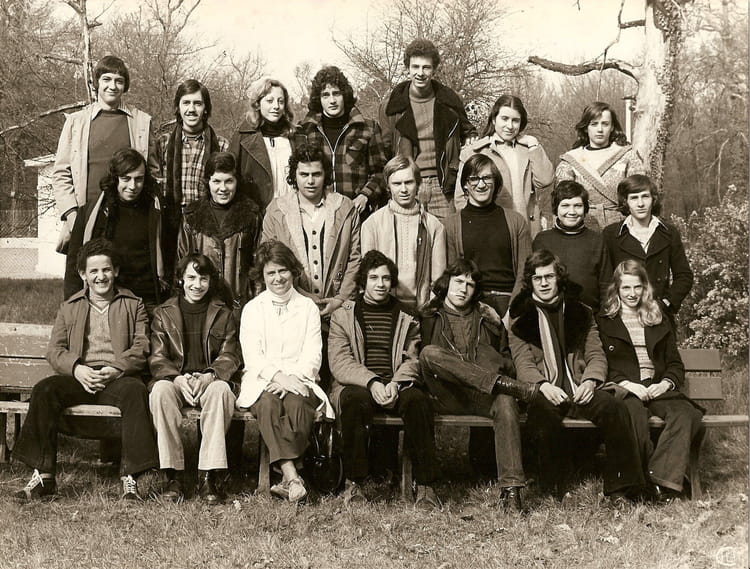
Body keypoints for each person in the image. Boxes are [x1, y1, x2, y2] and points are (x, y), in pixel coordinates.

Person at [14, 239, 158, 503]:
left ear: (116, 271)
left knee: (136, 392)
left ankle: (131, 477)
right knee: (44, 390)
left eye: (106, 270)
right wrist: (77, 369)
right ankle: (43, 475)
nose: (100, 276)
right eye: (94, 271)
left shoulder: (133, 304)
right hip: (81, 377)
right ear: (83, 274)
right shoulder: (70, 307)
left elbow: (142, 346)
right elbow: (55, 350)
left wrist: (116, 368)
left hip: (116, 378)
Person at [507, 249, 644, 503]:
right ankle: (556, 487)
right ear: (530, 282)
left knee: (614, 408)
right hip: (546, 389)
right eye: (537, 278)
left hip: (579, 386)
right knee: (541, 415)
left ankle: (620, 489)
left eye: (549, 276)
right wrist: (542, 385)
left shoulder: (581, 312)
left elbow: (596, 354)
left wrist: (591, 381)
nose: (544, 283)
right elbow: (522, 363)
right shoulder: (519, 319)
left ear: (558, 277)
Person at [419, 259, 539, 511]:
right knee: (429, 352)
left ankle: (511, 491)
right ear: (447, 282)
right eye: (458, 282)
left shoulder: (488, 318)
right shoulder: (428, 315)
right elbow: (416, 357)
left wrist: (497, 366)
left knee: (506, 401)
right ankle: (503, 384)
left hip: (482, 394)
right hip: (444, 393)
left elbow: (506, 356)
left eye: (470, 284)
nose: (463, 289)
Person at [328, 250, 440, 508]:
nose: (380, 284)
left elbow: (414, 358)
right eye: (374, 278)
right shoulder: (343, 315)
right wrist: (372, 382)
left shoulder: (407, 315)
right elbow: (340, 361)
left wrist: (396, 384)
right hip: (359, 384)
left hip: (395, 383)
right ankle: (354, 482)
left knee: (419, 402)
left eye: (386, 278)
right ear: (363, 282)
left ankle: (425, 485)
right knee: (353, 401)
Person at [598, 259, 704, 504]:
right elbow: (603, 364)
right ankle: (636, 483)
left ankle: (661, 482)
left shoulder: (657, 317)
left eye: (637, 287)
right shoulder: (604, 320)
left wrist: (665, 383)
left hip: (657, 387)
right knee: (632, 415)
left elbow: (675, 364)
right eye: (626, 288)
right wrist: (627, 385)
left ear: (645, 287)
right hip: (626, 388)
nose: (632, 293)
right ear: (616, 289)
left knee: (687, 414)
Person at [236, 241, 334, 503]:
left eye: (283, 271)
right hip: (263, 380)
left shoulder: (308, 308)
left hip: (300, 379)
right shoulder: (253, 309)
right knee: (268, 404)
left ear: (293, 271)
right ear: (262, 276)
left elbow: (313, 354)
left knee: (297, 405)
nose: (278, 278)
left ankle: (286, 479)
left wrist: (292, 379)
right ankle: (292, 476)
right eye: (271, 273)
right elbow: (253, 356)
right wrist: (278, 377)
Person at [148, 253, 241, 504]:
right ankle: (173, 475)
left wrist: (210, 375)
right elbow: (157, 357)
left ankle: (208, 476)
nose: (197, 285)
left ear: (211, 281)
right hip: (177, 380)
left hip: (209, 380)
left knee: (222, 391)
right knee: (160, 392)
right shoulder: (163, 313)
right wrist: (176, 378)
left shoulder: (223, 313)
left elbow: (230, 354)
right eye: (191, 278)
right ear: (181, 279)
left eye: (203, 278)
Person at [53, 55, 159, 254]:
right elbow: (61, 173)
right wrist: (72, 215)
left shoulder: (142, 122)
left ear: (125, 85)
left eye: (119, 81)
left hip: (128, 219)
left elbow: (153, 173)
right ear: (97, 83)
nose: (113, 86)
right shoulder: (76, 122)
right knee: (87, 270)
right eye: (107, 79)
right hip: (86, 216)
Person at [379, 38, 477, 222]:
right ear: (407, 68)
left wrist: (471, 138)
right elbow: (384, 149)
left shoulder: (450, 101)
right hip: (409, 184)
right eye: (415, 67)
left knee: (447, 237)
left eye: (426, 67)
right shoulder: (391, 106)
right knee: (409, 237)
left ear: (434, 69)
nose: (420, 73)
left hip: (444, 186)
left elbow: (467, 131)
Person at [261, 140, 360, 319]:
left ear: (325, 174)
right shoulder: (277, 211)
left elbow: (355, 258)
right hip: (292, 306)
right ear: (294, 175)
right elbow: (269, 260)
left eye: (316, 174)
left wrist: (340, 299)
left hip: (338, 308)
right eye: (304, 174)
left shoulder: (344, 208)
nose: (310, 181)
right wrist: (301, 296)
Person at [64, 148, 169, 313]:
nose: (132, 186)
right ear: (115, 178)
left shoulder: (156, 209)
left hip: (147, 300)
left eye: (139, 179)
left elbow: (169, 257)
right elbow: (74, 265)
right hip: (108, 300)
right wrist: (72, 308)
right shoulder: (93, 212)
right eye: (126, 179)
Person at [445, 153, 531, 319]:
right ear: (465, 185)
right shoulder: (451, 225)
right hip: (472, 304)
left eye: (487, 178)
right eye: (474, 179)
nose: (481, 184)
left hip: (511, 303)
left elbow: (525, 271)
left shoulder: (516, 221)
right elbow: (452, 275)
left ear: (495, 182)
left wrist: (513, 313)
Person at [296, 65, 387, 217]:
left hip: (356, 213)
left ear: (344, 95)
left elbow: (381, 172)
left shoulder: (368, 128)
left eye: (336, 93)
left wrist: (365, 196)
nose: (332, 100)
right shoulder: (306, 130)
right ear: (319, 99)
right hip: (317, 215)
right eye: (325, 95)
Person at [455, 95, 554, 236]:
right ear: (494, 119)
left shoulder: (529, 149)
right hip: (490, 230)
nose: (510, 126)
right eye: (505, 119)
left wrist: (533, 144)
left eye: (515, 120)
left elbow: (545, 180)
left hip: (526, 228)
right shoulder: (474, 151)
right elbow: (461, 198)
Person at [602, 174, 693, 325]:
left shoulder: (669, 233)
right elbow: (605, 279)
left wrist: (666, 303)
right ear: (625, 202)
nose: (640, 204)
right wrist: (614, 308)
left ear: (653, 199)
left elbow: (684, 276)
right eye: (634, 198)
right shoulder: (611, 234)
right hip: (623, 317)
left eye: (645, 196)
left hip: (659, 316)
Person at [178, 151, 261, 314]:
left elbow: (258, 263)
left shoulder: (251, 215)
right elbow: (182, 262)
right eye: (216, 181)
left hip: (241, 304)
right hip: (203, 304)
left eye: (229, 181)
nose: (223, 188)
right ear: (207, 182)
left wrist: (257, 302)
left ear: (237, 181)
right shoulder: (191, 217)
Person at [361, 155, 446, 310]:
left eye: (409, 182)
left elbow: (438, 280)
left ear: (418, 183)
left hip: (421, 309)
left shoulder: (434, 226)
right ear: (388, 186)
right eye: (397, 184)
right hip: (384, 308)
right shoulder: (372, 224)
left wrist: (428, 311)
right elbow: (368, 276)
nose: (404, 189)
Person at [157, 79, 230, 257]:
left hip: (205, 226)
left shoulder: (221, 145)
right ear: (178, 107)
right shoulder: (163, 143)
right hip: (169, 223)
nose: (191, 109)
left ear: (206, 108)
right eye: (186, 103)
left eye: (197, 103)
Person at [555, 101, 646, 230]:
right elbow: (562, 201)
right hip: (581, 227)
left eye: (605, 124)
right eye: (594, 124)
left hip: (621, 226)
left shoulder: (628, 156)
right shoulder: (571, 160)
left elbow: (640, 195)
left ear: (612, 127)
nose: (600, 129)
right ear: (585, 127)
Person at [532, 180, 610, 312]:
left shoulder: (597, 240)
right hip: (552, 314)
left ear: (585, 209)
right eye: (565, 206)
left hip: (592, 314)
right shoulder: (542, 240)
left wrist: (604, 316)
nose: (572, 211)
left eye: (578, 206)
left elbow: (606, 284)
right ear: (556, 208)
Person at [231, 77, 295, 211]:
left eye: (281, 101)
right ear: (258, 104)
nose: (276, 106)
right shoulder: (242, 137)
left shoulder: (294, 137)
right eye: (270, 101)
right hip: (256, 215)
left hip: (291, 211)